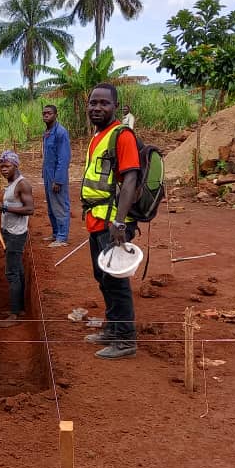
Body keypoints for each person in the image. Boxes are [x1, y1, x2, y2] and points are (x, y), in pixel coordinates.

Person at [81, 84, 140, 359]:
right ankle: (113, 329)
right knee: (102, 276)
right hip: (96, 219)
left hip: (113, 222)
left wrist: (118, 222)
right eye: (93, 102)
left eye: (104, 103)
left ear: (115, 106)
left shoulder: (121, 135)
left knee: (116, 280)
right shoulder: (98, 137)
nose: (97, 108)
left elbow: (130, 179)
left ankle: (125, 339)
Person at [0, 150, 34, 328]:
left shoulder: (23, 185)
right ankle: (20, 308)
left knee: (12, 273)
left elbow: (30, 209)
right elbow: (10, 206)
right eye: (1, 166)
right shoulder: (12, 183)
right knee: (18, 270)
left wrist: (4, 207)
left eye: (7, 166)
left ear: (16, 165)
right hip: (9, 232)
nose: (4, 169)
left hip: (16, 235)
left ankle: (15, 314)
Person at [41, 104, 71, 248]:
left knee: (59, 206)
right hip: (47, 175)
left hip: (57, 176)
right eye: (44, 113)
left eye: (49, 113)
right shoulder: (47, 132)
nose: (46, 115)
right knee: (51, 207)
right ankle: (55, 233)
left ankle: (62, 237)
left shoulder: (61, 132)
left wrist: (58, 180)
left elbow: (63, 158)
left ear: (56, 115)